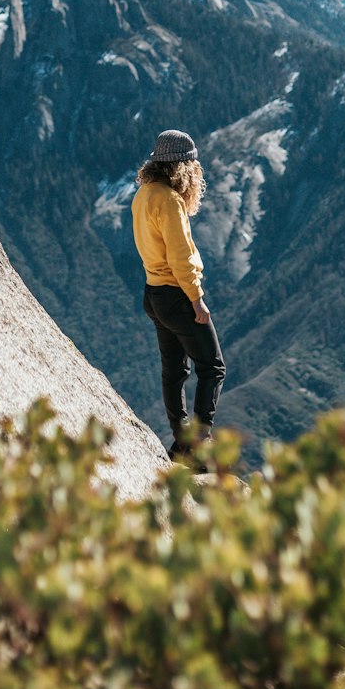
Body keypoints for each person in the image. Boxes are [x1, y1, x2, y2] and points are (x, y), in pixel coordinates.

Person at [131, 129, 226, 461]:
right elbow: (181, 257)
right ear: (183, 168)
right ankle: (199, 445)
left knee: (174, 371)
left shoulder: (143, 194)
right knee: (213, 368)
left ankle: (181, 441)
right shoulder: (170, 201)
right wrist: (197, 299)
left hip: (153, 293)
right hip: (176, 294)